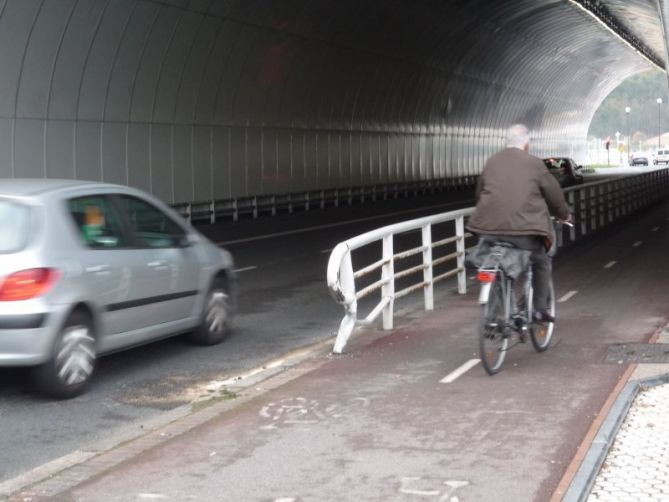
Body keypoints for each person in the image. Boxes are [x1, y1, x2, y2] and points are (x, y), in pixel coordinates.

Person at [467, 124, 571, 323]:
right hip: (524, 232)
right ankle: (539, 309)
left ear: (506, 142)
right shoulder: (535, 164)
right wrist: (564, 215)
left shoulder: (492, 162)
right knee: (541, 261)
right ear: (526, 144)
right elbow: (554, 196)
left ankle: (498, 316)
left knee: (495, 266)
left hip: (488, 229)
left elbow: (479, 194)